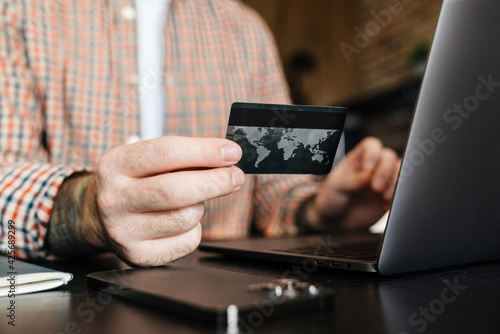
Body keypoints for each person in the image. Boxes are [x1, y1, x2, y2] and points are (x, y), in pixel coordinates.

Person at [0, 0, 399, 267]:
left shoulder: (247, 30)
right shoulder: (21, 14)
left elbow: (276, 194)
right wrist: (86, 207)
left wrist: (317, 211)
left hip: (227, 297)